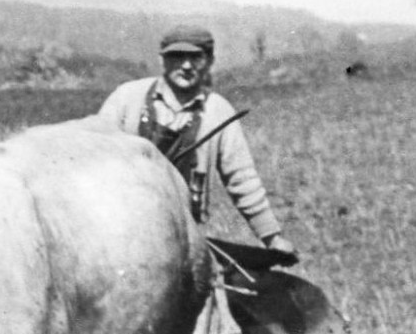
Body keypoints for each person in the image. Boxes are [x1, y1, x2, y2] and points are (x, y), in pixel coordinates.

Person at [98, 24, 296, 259]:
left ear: (210, 61)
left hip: (183, 233)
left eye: (195, 57)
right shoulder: (127, 98)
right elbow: (94, 158)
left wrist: (271, 237)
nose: (186, 66)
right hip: (119, 226)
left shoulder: (218, 111)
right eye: (177, 56)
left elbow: (242, 179)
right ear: (162, 60)